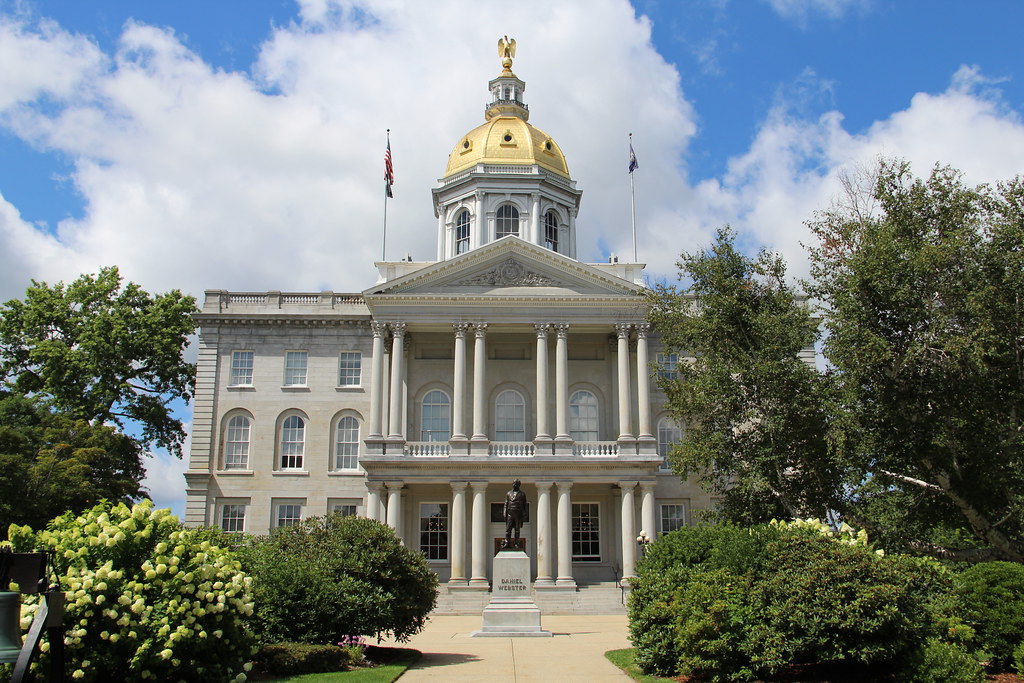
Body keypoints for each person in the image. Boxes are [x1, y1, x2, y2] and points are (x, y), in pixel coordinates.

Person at [503, 479, 526, 549]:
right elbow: (506, 503)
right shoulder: (509, 493)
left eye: (515, 484)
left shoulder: (522, 494)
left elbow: (524, 504)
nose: (514, 485)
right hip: (510, 512)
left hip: (518, 513)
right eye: (513, 484)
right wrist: (504, 512)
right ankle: (507, 542)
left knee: (517, 529)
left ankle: (516, 543)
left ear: (518, 485)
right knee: (508, 529)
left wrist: (524, 514)